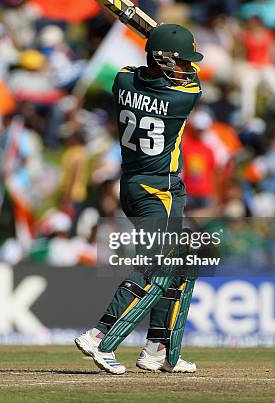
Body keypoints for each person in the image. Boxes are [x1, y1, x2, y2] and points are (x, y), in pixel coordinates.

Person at [75, 24, 203, 374]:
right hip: (155, 190)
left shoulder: (122, 80)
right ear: (164, 62)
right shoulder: (184, 96)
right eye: (181, 63)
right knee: (156, 267)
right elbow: (192, 80)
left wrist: (160, 51)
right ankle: (100, 334)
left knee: (173, 267)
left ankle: (156, 348)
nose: (187, 69)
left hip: (136, 184)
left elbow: (134, 70)